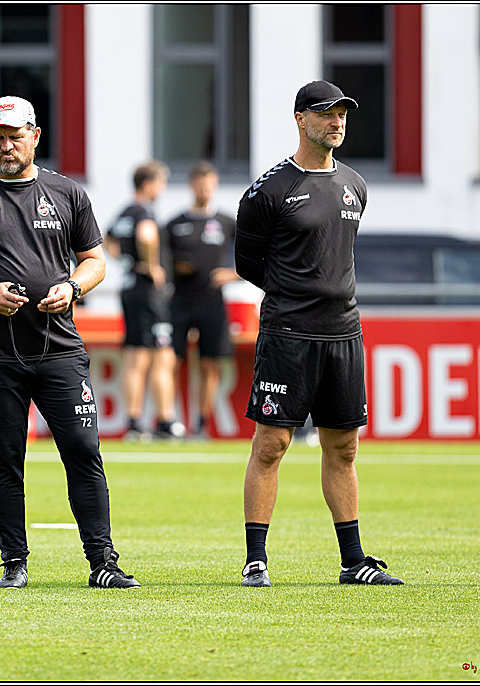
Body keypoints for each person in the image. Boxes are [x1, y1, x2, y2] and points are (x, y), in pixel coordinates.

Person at [0, 95, 140, 590]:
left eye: (15, 136)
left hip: (60, 349)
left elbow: (95, 260)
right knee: (4, 459)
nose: (6, 146)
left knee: (83, 451)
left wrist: (73, 288)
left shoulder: (67, 192)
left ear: (35, 137)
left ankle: (103, 563)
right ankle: (14, 563)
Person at [234, 80, 402, 587]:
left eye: (342, 114)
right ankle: (256, 560)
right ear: (300, 119)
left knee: (344, 448)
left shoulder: (355, 184)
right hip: (288, 334)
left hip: (344, 333)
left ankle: (353, 561)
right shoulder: (269, 190)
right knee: (272, 444)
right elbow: (248, 264)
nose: (337, 122)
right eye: (327, 113)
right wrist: (295, 296)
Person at [104, 161, 183, 441]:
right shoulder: (144, 211)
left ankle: (134, 423)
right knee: (163, 356)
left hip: (130, 290)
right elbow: (146, 236)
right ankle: (166, 421)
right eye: (160, 184)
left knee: (134, 355)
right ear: (148, 184)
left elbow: (107, 240)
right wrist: (151, 266)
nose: (162, 189)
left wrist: (127, 262)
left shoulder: (125, 212)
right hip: (149, 294)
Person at [164, 161, 239, 439]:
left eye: (209, 185)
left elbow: (256, 253)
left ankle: (202, 423)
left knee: (210, 363)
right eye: (200, 185)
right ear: (191, 186)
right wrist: (175, 268)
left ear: (215, 186)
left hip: (212, 301)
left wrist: (233, 274)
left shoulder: (226, 222)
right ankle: (171, 420)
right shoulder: (175, 224)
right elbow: (161, 260)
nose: (205, 190)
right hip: (179, 301)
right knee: (171, 361)